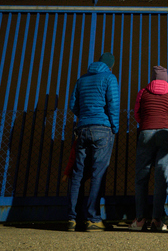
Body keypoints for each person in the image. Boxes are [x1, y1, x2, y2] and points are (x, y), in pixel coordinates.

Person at [67, 53, 120, 232]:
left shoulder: (81, 79)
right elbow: (113, 104)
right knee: (98, 173)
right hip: (102, 128)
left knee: (78, 174)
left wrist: (84, 116)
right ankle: (93, 219)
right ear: (110, 66)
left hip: (82, 128)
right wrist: (115, 126)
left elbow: (73, 104)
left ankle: (72, 218)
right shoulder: (110, 78)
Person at [128, 65, 168, 231]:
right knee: (161, 177)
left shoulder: (143, 92)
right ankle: (157, 221)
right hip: (165, 134)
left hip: (146, 133)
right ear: (166, 78)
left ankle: (140, 220)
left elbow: (136, 113)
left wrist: (146, 123)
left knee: (142, 177)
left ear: (153, 78)